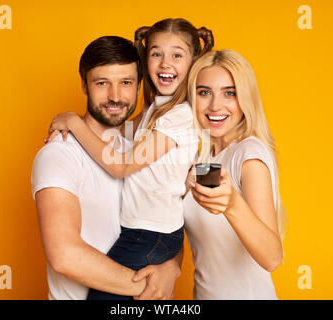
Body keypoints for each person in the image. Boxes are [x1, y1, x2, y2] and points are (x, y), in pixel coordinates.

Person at [46, 18, 214, 300]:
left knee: (101, 296)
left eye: (177, 55)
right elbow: (121, 127)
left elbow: (121, 166)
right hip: (148, 231)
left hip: (148, 234)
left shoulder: (179, 116)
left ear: (194, 63)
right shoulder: (157, 108)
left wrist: (74, 123)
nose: (165, 63)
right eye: (156, 54)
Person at [31, 36, 181, 300]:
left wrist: (171, 267)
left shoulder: (139, 150)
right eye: (102, 83)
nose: (115, 96)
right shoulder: (59, 154)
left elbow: (168, 223)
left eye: (126, 83)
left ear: (138, 87)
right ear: (84, 85)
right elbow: (64, 255)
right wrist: (149, 288)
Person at [183, 49, 288, 299]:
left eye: (229, 93)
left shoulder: (248, 153)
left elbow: (272, 257)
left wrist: (232, 205)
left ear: (245, 99)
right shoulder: (205, 159)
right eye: (204, 92)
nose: (215, 105)